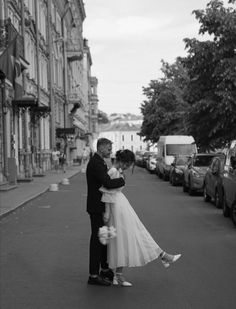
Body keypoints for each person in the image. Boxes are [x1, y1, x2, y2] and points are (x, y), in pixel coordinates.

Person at [99, 149, 181, 287]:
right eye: (128, 164)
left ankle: (119, 275)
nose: (128, 167)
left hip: (120, 207)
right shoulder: (113, 171)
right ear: (123, 161)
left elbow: (109, 192)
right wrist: (106, 212)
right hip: (117, 209)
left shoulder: (116, 171)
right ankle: (163, 256)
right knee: (128, 238)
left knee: (124, 240)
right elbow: (106, 192)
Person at [86, 138, 125, 286]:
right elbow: (107, 183)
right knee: (97, 241)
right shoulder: (96, 163)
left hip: (99, 206)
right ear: (101, 148)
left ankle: (104, 269)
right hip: (96, 208)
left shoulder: (100, 161)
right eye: (108, 149)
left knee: (103, 239)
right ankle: (93, 276)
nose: (110, 151)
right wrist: (122, 180)